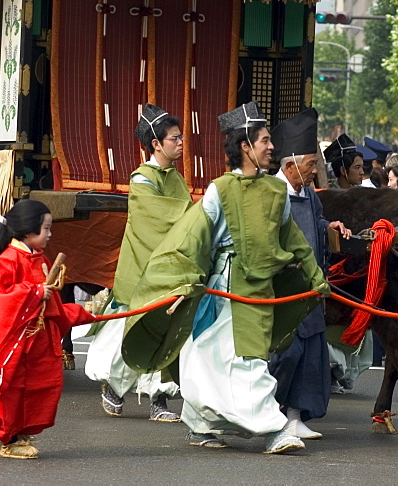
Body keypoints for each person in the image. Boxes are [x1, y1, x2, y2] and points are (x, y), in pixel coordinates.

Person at [120, 101, 331, 454]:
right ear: (245, 147)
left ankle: (210, 424)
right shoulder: (220, 190)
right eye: (264, 141)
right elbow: (192, 238)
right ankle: (272, 429)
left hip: (259, 292)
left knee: (247, 361)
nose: (271, 147)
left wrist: (315, 277)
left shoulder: (277, 192)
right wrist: (179, 281)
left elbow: (293, 240)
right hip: (224, 292)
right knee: (216, 361)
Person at [0, 199, 95, 459]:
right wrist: (34, 292)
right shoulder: (8, 260)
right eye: (45, 229)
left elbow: (52, 301)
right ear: (27, 230)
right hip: (12, 337)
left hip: (36, 335)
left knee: (37, 383)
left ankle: (22, 430)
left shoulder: (38, 257)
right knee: (10, 386)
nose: (49, 234)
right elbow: (2, 298)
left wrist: (77, 314)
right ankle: (8, 438)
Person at [85, 104, 191, 422]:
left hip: (168, 268)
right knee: (128, 330)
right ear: (156, 144)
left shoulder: (176, 178)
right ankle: (115, 388)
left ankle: (159, 399)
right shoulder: (142, 179)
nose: (181, 142)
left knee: (167, 333)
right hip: (142, 268)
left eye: (181, 136)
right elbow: (158, 221)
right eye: (175, 137)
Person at [269, 108, 351, 439]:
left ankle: (294, 415)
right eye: (310, 165)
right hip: (286, 285)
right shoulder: (272, 193)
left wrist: (328, 226)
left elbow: (314, 223)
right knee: (286, 352)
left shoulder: (308, 194)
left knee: (310, 355)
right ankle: (271, 412)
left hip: (313, 284)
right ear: (289, 166)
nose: (315, 171)